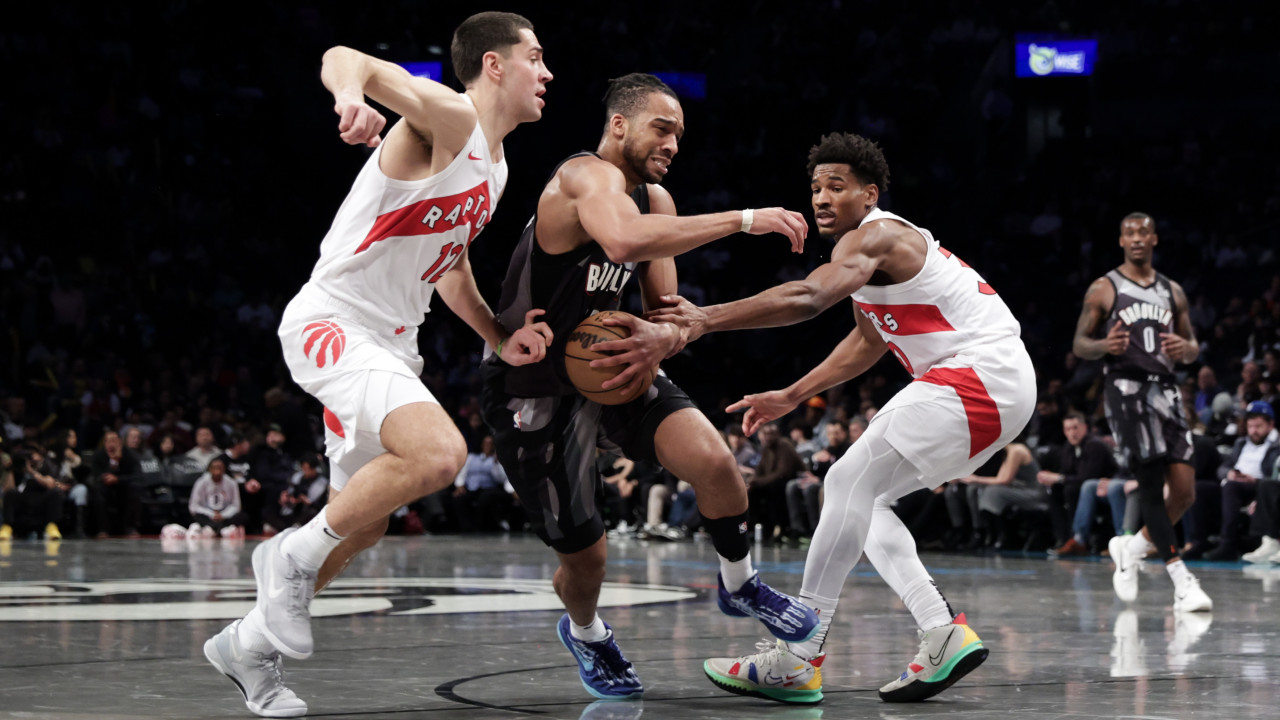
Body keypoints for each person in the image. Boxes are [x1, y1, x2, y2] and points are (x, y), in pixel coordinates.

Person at [204, 13, 556, 718]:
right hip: (335, 320)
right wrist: (348, 98)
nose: (546, 75)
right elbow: (346, 55)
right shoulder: (449, 116)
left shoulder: (499, 166)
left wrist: (496, 334)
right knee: (438, 453)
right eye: (536, 58)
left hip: (393, 341)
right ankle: (286, 559)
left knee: (363, 520)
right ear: (493, 65)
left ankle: (248, 648)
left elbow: (448, 261)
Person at [649, 132, 1035, 703]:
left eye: (837, 186)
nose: (822, 198)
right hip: (994, 386)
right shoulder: (870, 260)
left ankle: (800, 654)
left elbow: (808, 298)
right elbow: (867, 341)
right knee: (864, 497)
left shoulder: (875, 236)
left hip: (980, 373)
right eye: (815, 188)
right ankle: (941, 631)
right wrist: (793, 393)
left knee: (843, 480)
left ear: (868, 194)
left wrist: (706, 317)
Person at [479, 73, 813, 699]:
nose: (673, 143)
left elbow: (666, 309)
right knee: (587, 558)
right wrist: (745, 219)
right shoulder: (584, 177)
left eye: (680, 135)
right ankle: (586, 630)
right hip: (536, 381)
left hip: (617, 364)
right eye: (662, 128)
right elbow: (623, 240)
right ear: (619, 125)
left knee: (718, 466)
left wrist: (673, 336)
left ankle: (739, 584)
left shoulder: (657, 199)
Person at [1072, 212, 1211, 612]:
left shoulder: (1173, 290)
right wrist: (1104, 347)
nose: (1137, 238)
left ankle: (1131, 548)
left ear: (1154, 238)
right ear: (1121, 241)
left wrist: (1188, 351)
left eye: (1143, 232)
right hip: (1125, 389)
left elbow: (1192, 344)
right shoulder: (1104, 287)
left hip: (1167, 390)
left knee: (1184, 492)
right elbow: (1080, 343)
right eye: (1129, 233)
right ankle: (1180, 579)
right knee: (1151, 484)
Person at [1206, 400, 1279, 559]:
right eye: (1250, 426)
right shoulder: (1240, 443)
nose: (1253, 431)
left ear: (1270, 424)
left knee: (1236, 488)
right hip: (1236, 485)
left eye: (1258, 426)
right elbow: (1222, 468)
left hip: (1260, 485)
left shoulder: (1277, 444)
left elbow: (1275, 475)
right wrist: (1229, 473)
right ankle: (1197, 542)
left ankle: (1228, 544)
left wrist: (1256, 480)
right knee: (1201, 488)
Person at [1040, 411, 1119, 555]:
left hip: (1104, 489)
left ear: (1085, 427)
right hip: (1083, 488)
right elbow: (1066, 472)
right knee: (1056, 492)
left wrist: (1058, 478)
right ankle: (1064, 539)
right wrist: (1052, 479)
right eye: (1068, 429)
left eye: (1075, 428)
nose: (1072, 433)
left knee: (1071, 489)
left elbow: (1087, 477)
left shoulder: (1095, 445)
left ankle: (1079, 539)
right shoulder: (1068, 448)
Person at [189, 457, 246, 536]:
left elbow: (236, 506)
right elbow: (193, 506)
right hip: (207, 515)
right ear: (210, 469)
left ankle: (218, 529)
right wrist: (212, 514)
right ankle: (217, 529)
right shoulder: (201, 482)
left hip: (225, 516)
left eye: (220, 468)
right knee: (197, 517)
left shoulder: (231, 483)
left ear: (224, 469)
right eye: (215, 468)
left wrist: (223, 515)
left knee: (242, 516)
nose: (217, 470)